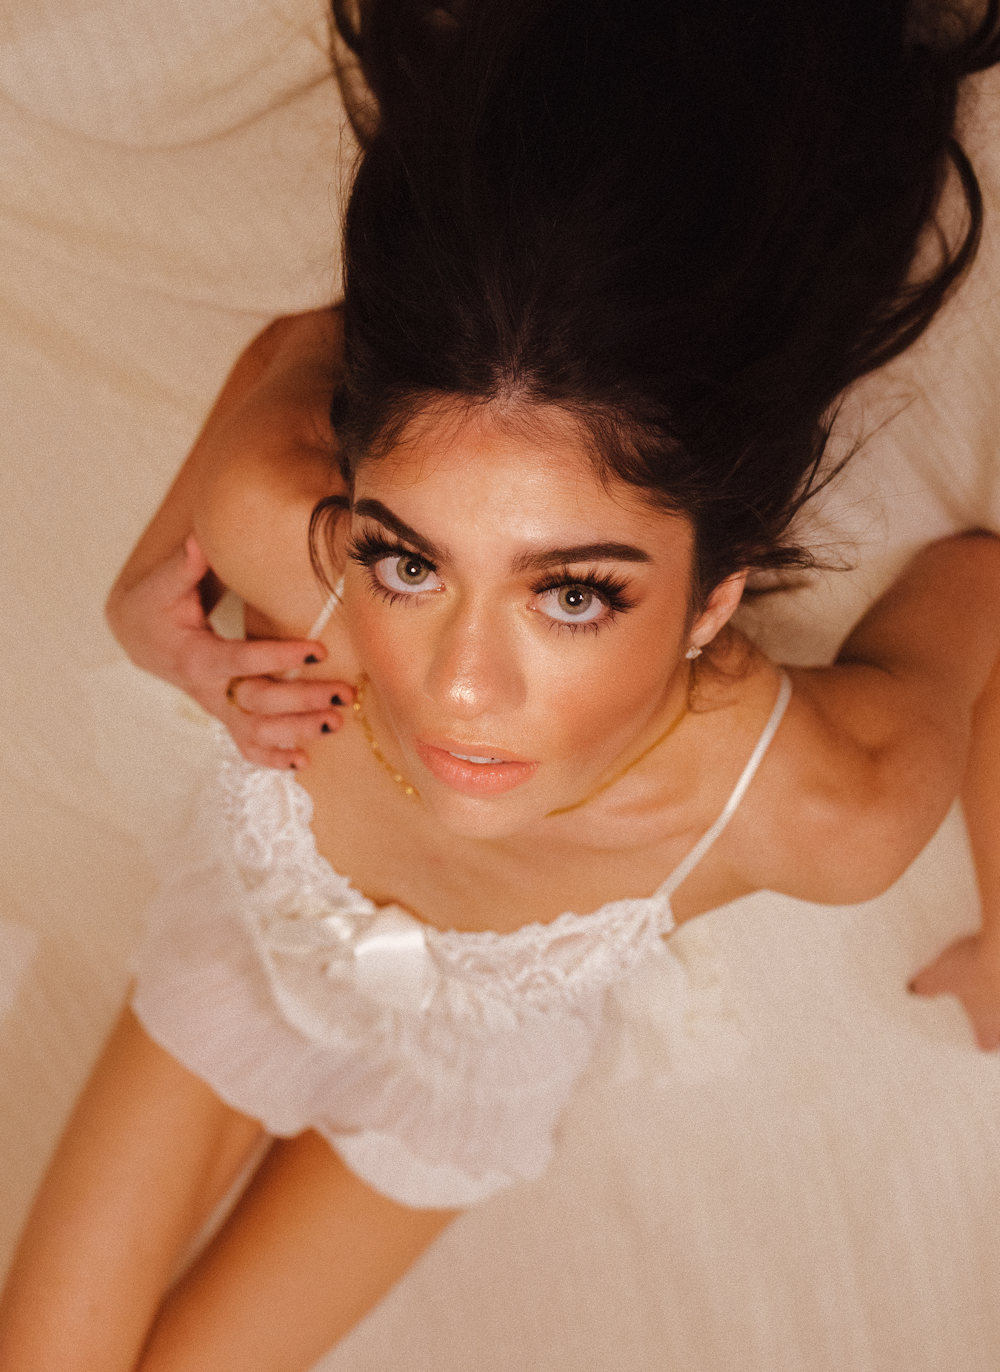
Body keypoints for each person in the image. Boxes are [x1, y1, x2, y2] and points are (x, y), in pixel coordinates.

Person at [4, 1, 1000, 1367]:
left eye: (575, 593)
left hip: (460, 1084)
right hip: (246, 949)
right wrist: (143, 600)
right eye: (409, 560)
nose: (459, 690)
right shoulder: (281, 539)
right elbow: (307, 347)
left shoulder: (824, 808)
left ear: (714, 594)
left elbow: (982, 586)